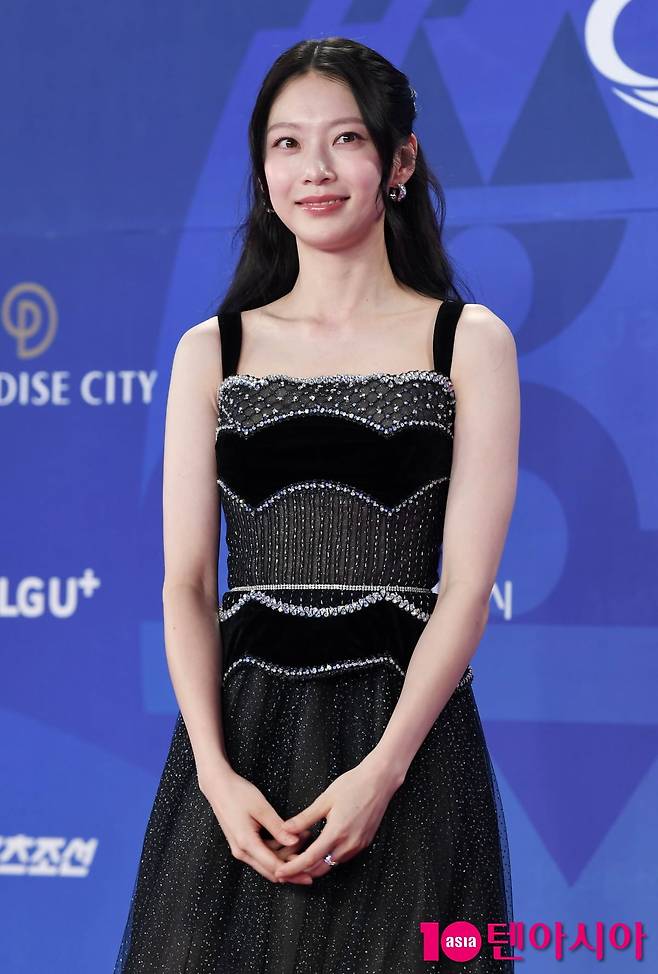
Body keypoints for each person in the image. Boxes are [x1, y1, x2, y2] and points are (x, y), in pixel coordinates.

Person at [114, 36, 520, 974]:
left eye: (345, 139)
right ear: (263, 171)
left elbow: (466, 590)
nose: (315, 169)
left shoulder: (467, 342)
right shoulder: (211, 350)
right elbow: (187, 584)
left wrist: (383, 772)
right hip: (241, 753)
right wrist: (215, 780)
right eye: (287, 144)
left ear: (400, 160)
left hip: (407, 747)